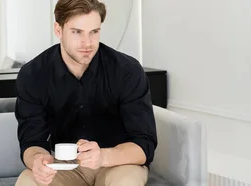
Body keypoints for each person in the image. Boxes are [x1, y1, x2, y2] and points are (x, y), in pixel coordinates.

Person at [14, 0, 157, 185]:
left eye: (94, 32)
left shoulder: (127, 71)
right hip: (64, 166)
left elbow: (144, 146)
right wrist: (38, 161)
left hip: (117, 162)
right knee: (28, 182)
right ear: (58, 30)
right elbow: (31, 141)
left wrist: (103, 157)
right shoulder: (33, 74)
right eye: (77, 32)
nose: (87, 43)